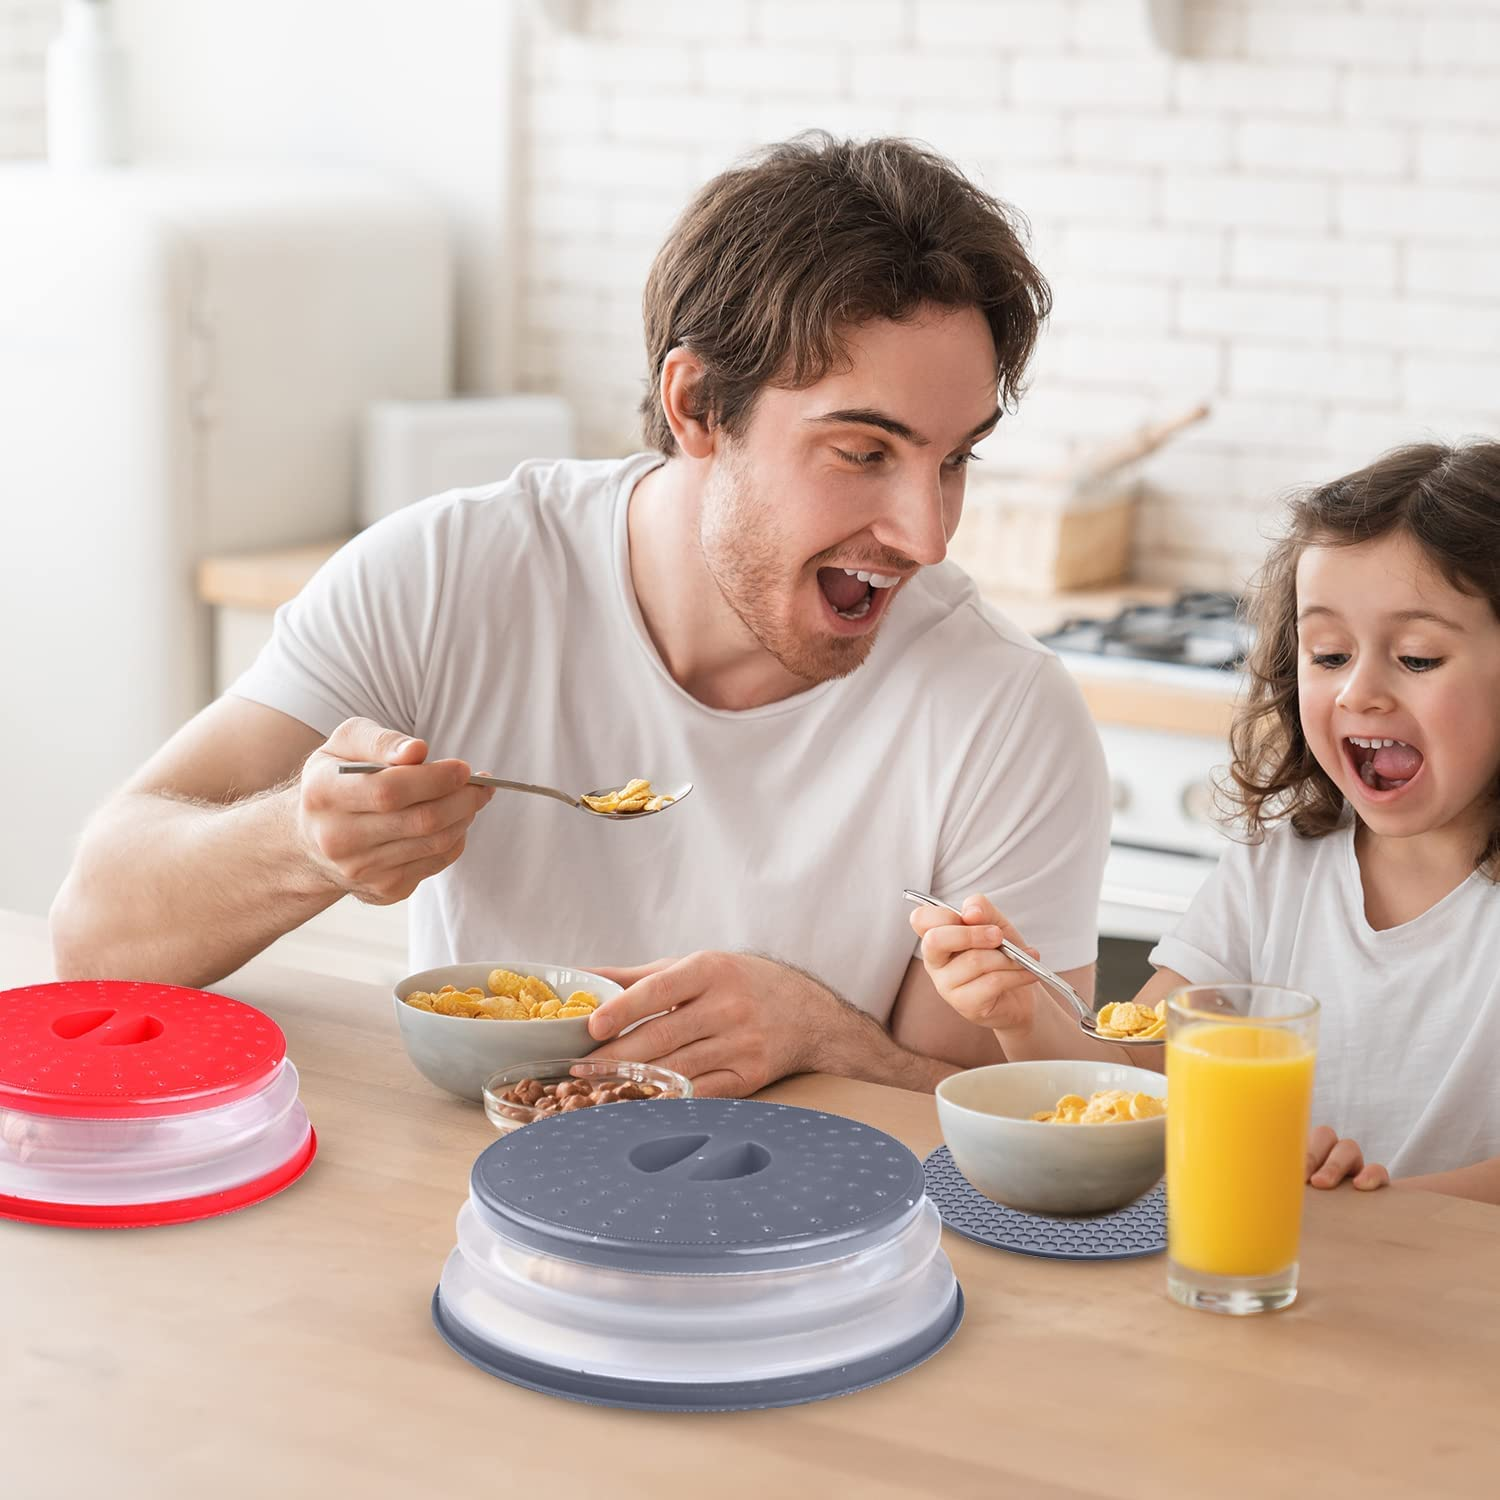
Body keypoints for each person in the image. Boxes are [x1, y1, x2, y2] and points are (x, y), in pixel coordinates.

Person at [51, 134, 1111, 1098]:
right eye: (864, 453)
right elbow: (96, 934)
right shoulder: (447, 577)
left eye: (955, 459)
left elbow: (991, 1128)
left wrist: (824, 1034)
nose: (927, 537)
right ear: (698, 407)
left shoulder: (1002, 713)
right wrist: (306, 840)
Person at [912, 441, 1500, 1201]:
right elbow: (1138, 1079)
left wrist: (1374, 1210)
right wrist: (1022, 1013)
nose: (1359, 692)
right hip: (1269, 1275)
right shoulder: (1277, 871)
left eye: (1417, 658)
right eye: (1329, 654)